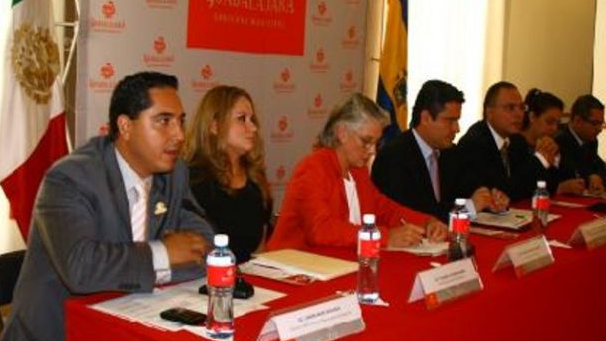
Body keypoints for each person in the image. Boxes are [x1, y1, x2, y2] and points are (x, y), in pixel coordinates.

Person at [0, 72, 215, 341]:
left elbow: (205, 245)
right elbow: (81, 269)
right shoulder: (69, 178)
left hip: (126, 337)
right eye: (163, 121)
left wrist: (155, 263)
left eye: (180, 121)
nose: (179, 135)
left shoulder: (174, 172)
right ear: (125, 126)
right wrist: (163, 255)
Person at [267, 93, 448, 251]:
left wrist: (426, 222)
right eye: (366, 141)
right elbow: (321, 231)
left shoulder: (358, 171)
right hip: (293, 269)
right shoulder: (312, 168)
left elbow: (385, 209)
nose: (371, 151)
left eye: (376, 143)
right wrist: (385, 237)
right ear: (342, 132)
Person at [371, 80, 509, 220]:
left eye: (457, 121)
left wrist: (490, 199)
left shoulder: (451, 153)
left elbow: (470, 190)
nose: (457, 129)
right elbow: (412, 214)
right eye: (450, 120)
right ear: (425, 118)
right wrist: (469, 207)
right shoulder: (393, 156)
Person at [183, 85, 272, 263]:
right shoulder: (192, 180)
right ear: (214, 126)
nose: (253, 127)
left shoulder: (255, 178)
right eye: (242, 119)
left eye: (252, 119)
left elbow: (260, 248)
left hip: (249, 281)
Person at [454, 81, 546, 201]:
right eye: (510, 108)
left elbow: (533, 187)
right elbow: (503, 191)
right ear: (489, 113)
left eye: (522, 107)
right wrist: (540, 160)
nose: (519, 114)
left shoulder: (517, 141)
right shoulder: (474, 143)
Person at [517, 88, 586, 195]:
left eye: (557, 123)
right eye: (549, 122)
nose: (554, 128)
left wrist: (555, 160)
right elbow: (523, 186)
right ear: (532, 117)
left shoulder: (550, 144)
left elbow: (555, 179)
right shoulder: (515, 144)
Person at [554, 94, 606, 196]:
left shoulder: (591, 141)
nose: (600, 129)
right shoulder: (560, 140)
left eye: (601, 124)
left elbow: (599, 167)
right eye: (595, 123)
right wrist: (590, 177)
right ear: (578, 120)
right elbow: (572, 173)